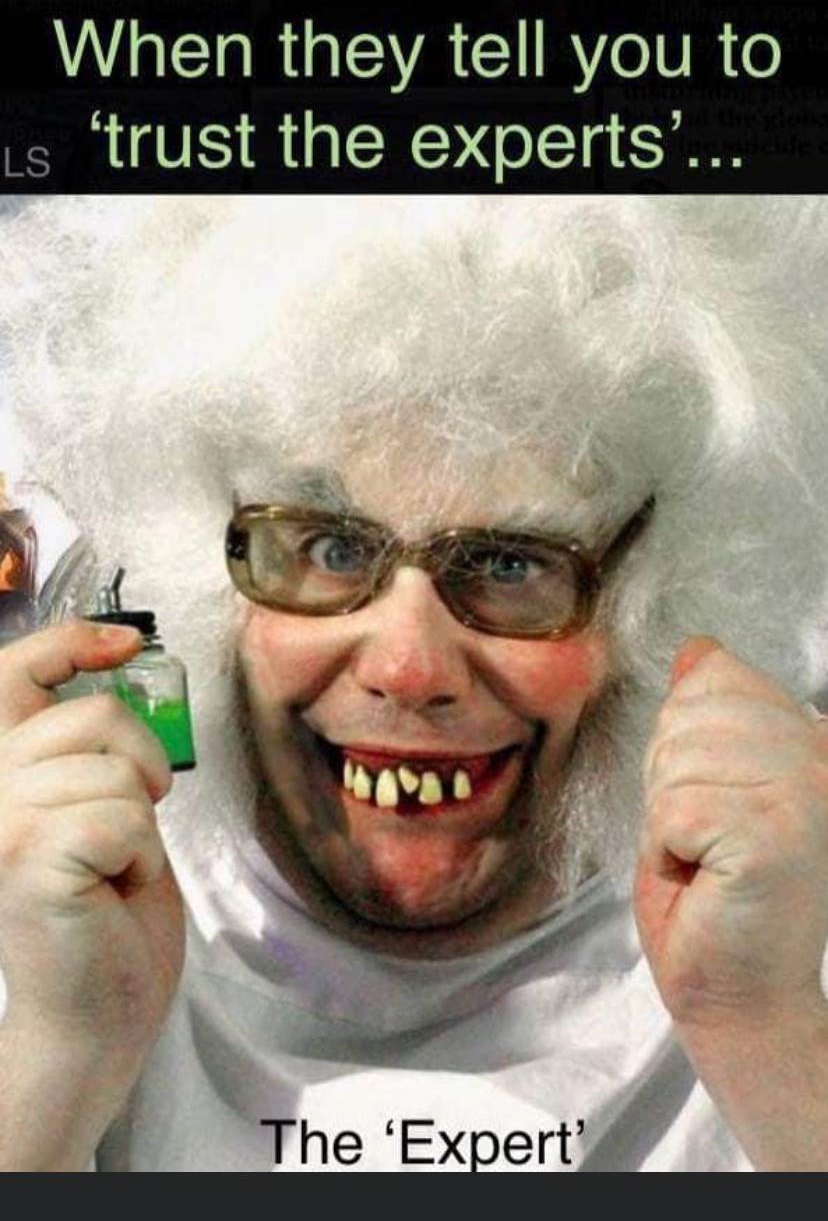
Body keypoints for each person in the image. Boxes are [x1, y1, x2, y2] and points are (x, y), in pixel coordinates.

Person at [1, 195, 828, 1172]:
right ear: (202, 570)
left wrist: (768, 1034)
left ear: (660, 597)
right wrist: (56, 1051)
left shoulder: (786, 916)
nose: (407, 668)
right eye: (327, 546)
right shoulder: (44, 907)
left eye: (512, 563)